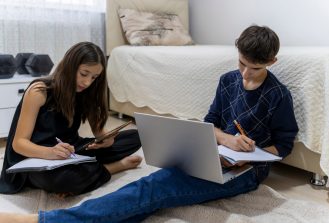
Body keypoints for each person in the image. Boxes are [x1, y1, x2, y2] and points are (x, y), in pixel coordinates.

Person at [0, 25, 298, 223]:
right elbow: (211, 124)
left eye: (254, 68)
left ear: (271, 62)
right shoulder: (227, 80)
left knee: (154, 187)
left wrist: (249, 154)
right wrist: (224, 140)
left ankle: (41, 221)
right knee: (154, 191)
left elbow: (283, 145)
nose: (245, 74)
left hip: (245, 171)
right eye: (241, 63)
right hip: (213, 155)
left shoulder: (277, 95)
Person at [0, 42, 142, 196]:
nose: (87, 82)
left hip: (71, 150)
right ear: (70, 65)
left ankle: (86, 171)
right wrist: (51, 152)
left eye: (94, 77)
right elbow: (19, 144)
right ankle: (113, 167)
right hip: (36, 156)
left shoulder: (88, 92)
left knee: (136, 136)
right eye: (83, 74)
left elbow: (99, 133)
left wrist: (106, 140)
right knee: (63, 180)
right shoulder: (39, 91)